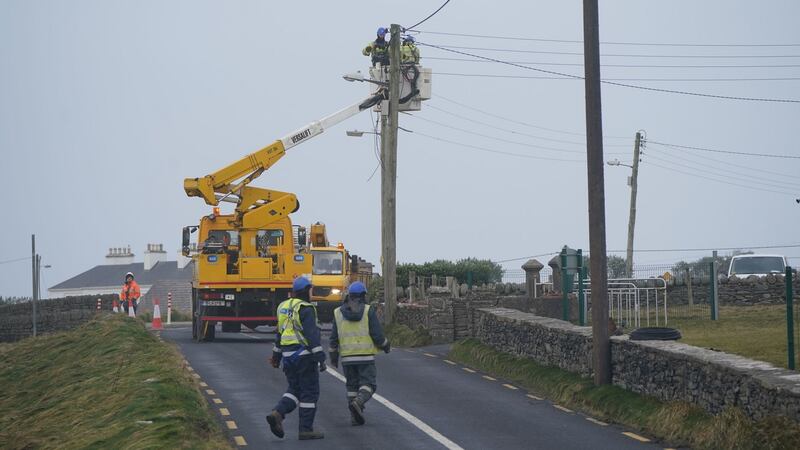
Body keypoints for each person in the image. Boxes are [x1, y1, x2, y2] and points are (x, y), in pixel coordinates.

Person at [266, 276, 326, 440]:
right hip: (304, 357)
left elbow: (280, 334)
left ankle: (278, 413)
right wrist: (321, 357)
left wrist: (275, 357)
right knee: (309, 392)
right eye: (310, 290)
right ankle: (306, 429)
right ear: (306, 291)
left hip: (288, 357)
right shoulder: (306, 308)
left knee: (295, 389)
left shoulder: (283, 307)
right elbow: (311, 335)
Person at [329, 281, 390, 426]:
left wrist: (333, 357)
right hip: (365, 357)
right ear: (363, 295)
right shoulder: (368, 311)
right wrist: (386, 346)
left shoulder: (338, 313)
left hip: (347, 358)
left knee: (351, 387)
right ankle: (359, 401)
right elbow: (377, 335)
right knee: (369, 384)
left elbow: (333, 338)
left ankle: (354, 417)